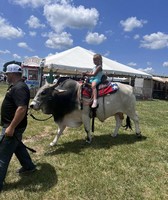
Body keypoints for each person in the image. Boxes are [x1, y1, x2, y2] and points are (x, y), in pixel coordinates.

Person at [0, 64, 36, 192]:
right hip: (13, 127)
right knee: (17, 146)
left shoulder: (20, 87)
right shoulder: (17, 86)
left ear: (12, 74)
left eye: (7, 74)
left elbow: (22, 109)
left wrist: (11, 127)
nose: (6, 76)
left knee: (2, 154)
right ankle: (29, 167)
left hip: (12, 127)